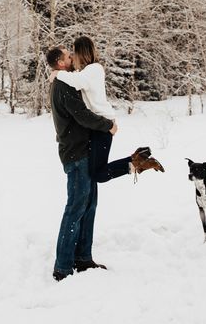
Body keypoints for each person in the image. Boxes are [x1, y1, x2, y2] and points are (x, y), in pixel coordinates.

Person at [50, 36, 165, 182]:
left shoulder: (94, 69)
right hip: (97, 125)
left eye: (74, 53)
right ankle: (138, 159)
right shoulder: (85, 72)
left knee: (99, 174)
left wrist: (58, 73)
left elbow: (77, 81)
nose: (72, 57)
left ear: (82, 53)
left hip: (102, 125)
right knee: (95, 171)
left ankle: (139, 162)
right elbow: (75, 79)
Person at [46, 44, 116, 281]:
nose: (72, 57)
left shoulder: (67, 80)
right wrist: (108, 125)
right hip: (76, 155)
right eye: (68, 55)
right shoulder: (63, 85)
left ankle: (83, 258)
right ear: (61, 63)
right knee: (75, 208)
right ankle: (63, 266)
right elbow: (82, 116)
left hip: (83, 152)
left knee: (89, 206)